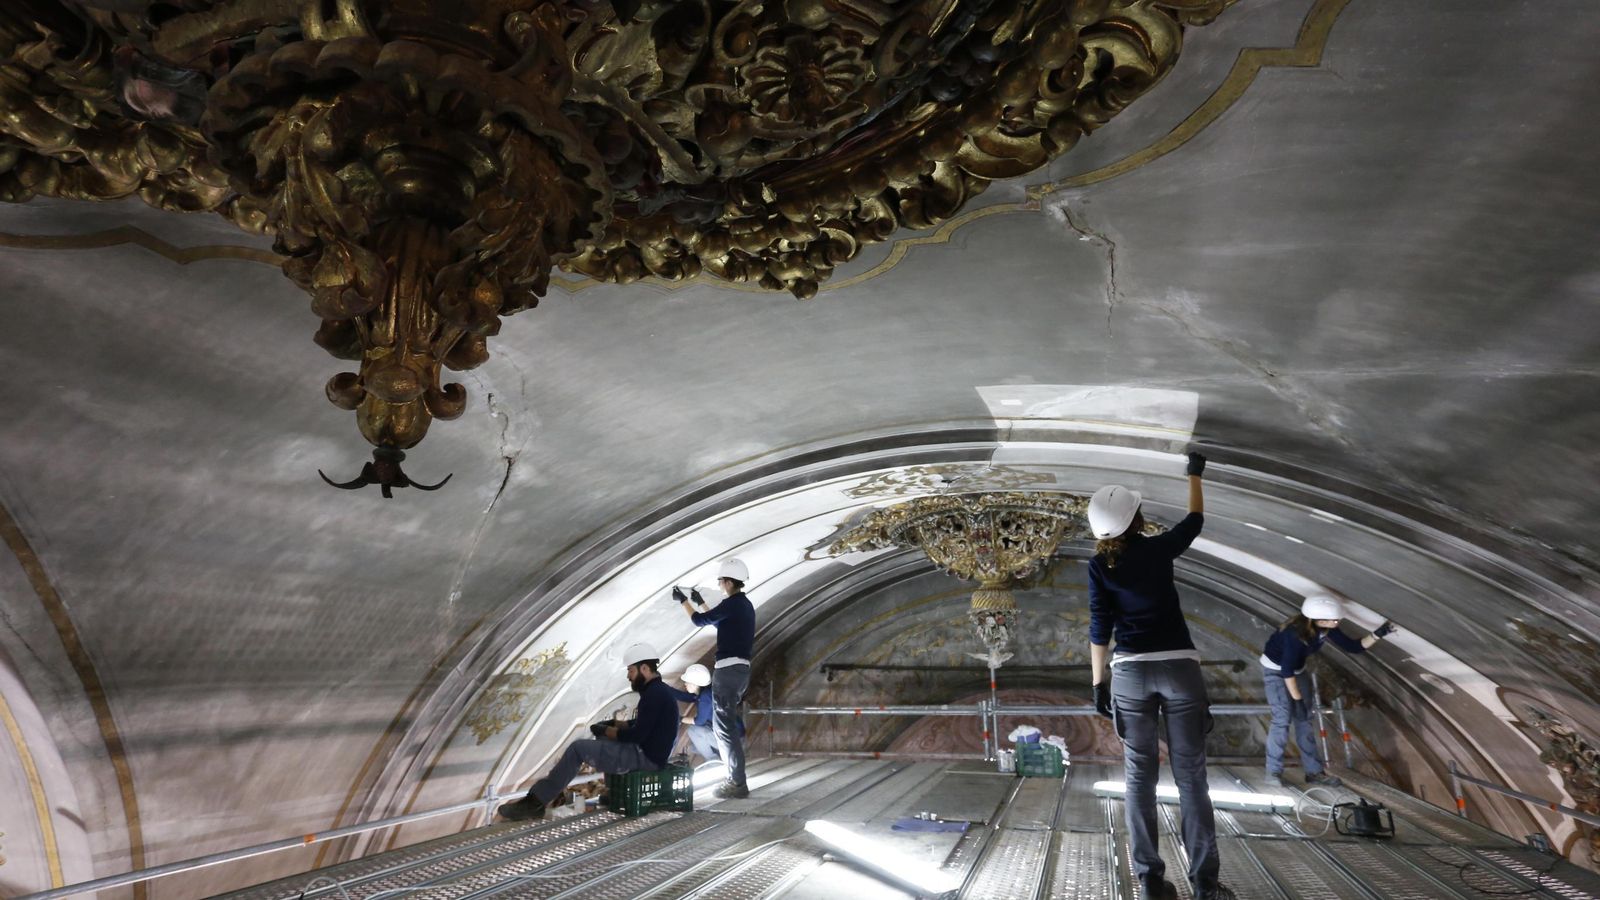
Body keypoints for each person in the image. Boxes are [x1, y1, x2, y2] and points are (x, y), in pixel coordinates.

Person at [1088, 451, 1234, 900]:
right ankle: (1205, 886)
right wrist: (1195, 472)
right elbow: (1194, 519)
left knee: (1138, 779)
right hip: (1179, 669)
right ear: (1137, 519)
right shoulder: (1157, 548)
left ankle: (1150, 880)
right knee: (1192, 778)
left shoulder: (1099, 566)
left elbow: (1100, 627)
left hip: (1129, 674)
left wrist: (1098, 684)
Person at [497, 642, 678, 821]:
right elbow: (644, 724)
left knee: (578, 749)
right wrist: (614, 724)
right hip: (652, 755)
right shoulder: (660, 691)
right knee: (602, 738)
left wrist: (608, 730)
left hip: (645, 757)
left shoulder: (654, 695)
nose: (629, 676)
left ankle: (534, 804)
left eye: (631, 670)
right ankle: (615, 793)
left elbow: (638, 735)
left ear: (644, 668)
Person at [1261, 595, 1396, 787]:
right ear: (1319, 620)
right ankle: (1273, 773)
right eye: (1334, 620)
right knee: (1282, 720)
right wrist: (1297, 700)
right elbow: (1286, 670)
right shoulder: (1294, 634)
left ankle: (1314, 772)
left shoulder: (1324, 628)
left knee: (1305, 722)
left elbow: (1353, 647)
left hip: (1296, 672)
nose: (1338, 621)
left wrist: (1378, 633)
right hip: (1276, 673)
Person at [673, 558, 755, 799]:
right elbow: (722, 627)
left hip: (727, 673)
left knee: (724, 730)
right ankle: (735, 778)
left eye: (720, 581)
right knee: (723, 728)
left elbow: (699, 621)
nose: (719, 584)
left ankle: (737, 783)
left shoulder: (732, 603)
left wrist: (684, 601)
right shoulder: (744, 606)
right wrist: (703, 603)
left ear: (729, 582)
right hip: (740, 673)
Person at [668, 663, 720, 762]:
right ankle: (720, 753)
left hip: (730, 739)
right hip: (726, 735)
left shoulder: (705, 697)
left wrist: (680, 719)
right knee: (693, 748)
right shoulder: (704, 693)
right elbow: (683, 696)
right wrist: (665, 688)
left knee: (693, 730)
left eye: (687, 682)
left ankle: (714, 761)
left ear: (695, 683)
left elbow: (699, 721)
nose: (685, 684)